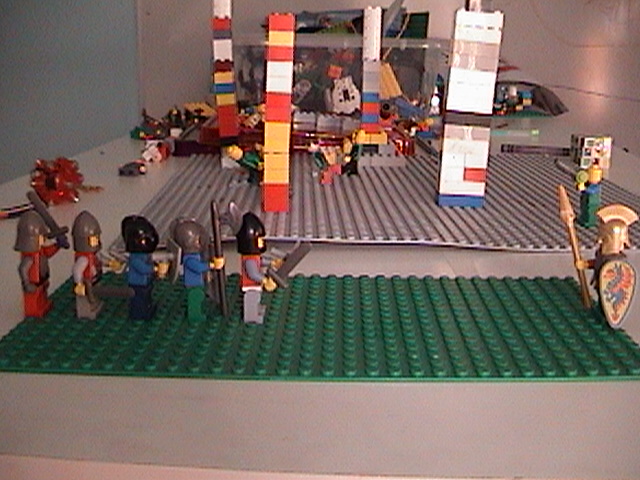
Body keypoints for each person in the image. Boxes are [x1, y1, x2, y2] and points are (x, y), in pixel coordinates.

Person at [14, 210, 64, 318]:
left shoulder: (40, 251)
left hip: (42, 278)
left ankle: (43, 305)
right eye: (41, 237)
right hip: (34, 283)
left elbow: (48, 252)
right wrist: (26, 284)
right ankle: (34, 310)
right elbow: (22, 269)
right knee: (34, 297)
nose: (43, 239)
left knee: (43, 293)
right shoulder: (29, 256)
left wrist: (57, 245)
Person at [122, 215, 163, 321]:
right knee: (139, 299)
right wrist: (154, 269)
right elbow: (143, 269)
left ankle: (147, 309)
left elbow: (148, 263)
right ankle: (139, 314)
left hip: (145, 282)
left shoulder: (144, 255)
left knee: (146, 297)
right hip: (138, 284)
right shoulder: (135, 258)